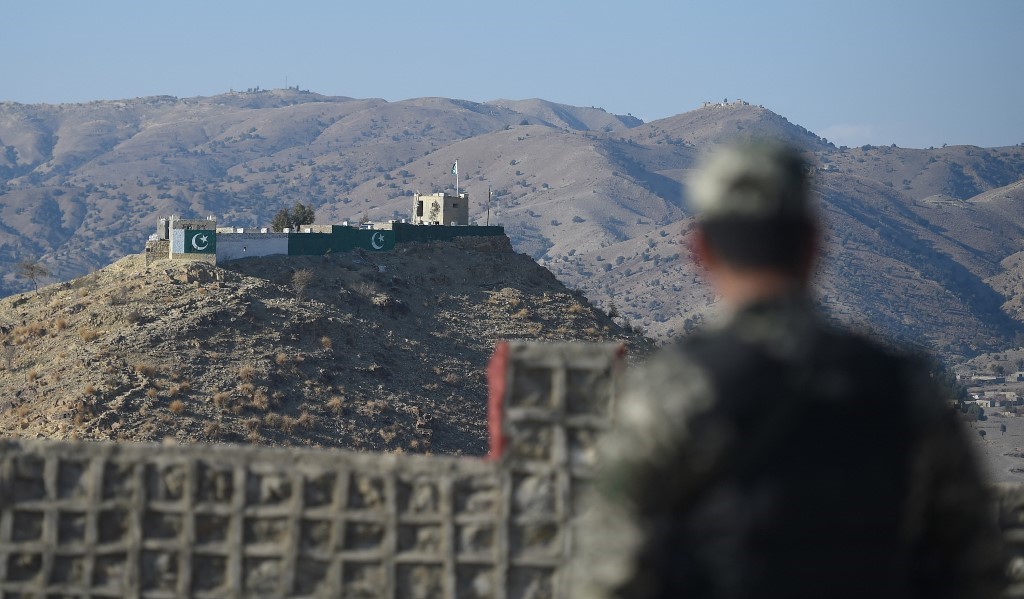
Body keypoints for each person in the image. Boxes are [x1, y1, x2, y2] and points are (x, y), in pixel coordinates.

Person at [577, 142, 1004, 599]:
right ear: (814, 243)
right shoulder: (904, 387)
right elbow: (975, 563)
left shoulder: (669, 392)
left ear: (700, 250)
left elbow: (609, 574)